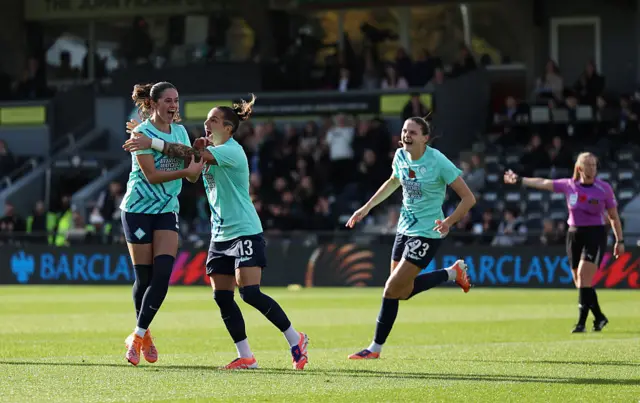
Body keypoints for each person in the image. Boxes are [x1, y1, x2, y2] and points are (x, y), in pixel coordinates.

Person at [123, 95, 309, 370]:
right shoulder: (212, 149)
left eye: (213, 120)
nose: (206, 123)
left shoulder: (231, 150)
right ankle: (246, 356)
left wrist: (150, 142)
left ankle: (296, 339)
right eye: (207, 119)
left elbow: (190, 157)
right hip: (220, 235)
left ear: (229, 129)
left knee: (250, 293)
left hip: (245, 230)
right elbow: (192, 171)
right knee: (222, 297)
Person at [345, 117, 476, 360]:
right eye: (405, 130)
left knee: (390, 288)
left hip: (428, 232)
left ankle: (374, 348)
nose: (407, 135)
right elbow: (394, 181)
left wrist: (448, 221)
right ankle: (452, 273)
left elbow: (468, 198)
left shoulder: (438, 161)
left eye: (413, 132)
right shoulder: (400, 156)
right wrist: (366, 208)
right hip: (404, 230)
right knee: (401, 292)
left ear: (425, 138)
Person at [120, 81, 204, 366]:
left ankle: (137, 335)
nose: (173, 105)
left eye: (176, 100)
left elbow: (192, 169)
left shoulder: (179, 131)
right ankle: (146, 335)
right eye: (167, 100)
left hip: (167, 210)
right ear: (154, 104)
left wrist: (189, 169)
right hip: (138, 210)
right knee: (144, 278)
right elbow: (153, 175)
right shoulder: (140, 133)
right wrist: (185, 168)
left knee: (163, 275)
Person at [503, 152, 623, 333]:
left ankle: (581, 323)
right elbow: (543, 183)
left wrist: (619, 240)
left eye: (594, 165)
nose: (592, 168)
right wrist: (520, 180)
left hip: (595, 234)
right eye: (588, 165)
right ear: (580, 168)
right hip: (574, 234)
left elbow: (614, 217)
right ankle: (599, 317)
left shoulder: (604, 188)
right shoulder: (569, 186)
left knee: (583, 276)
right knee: (580, 281)